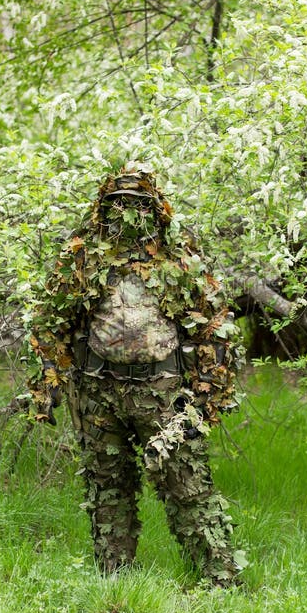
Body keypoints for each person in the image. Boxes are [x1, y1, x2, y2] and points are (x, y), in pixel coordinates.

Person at [28, 164, 243, 585]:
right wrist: (48, 378)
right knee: (107, 488)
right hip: (97, 392)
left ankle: (219, 580)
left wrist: (205, 398)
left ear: (157, 210)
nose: (130, 213)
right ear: (104, 209)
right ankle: (115, 579)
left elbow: (215, 327)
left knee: (187, 485)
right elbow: (50, 319)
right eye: (119, 204)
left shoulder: (179, 259)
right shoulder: (84, 257)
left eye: (140, 204)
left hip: (163, 394)